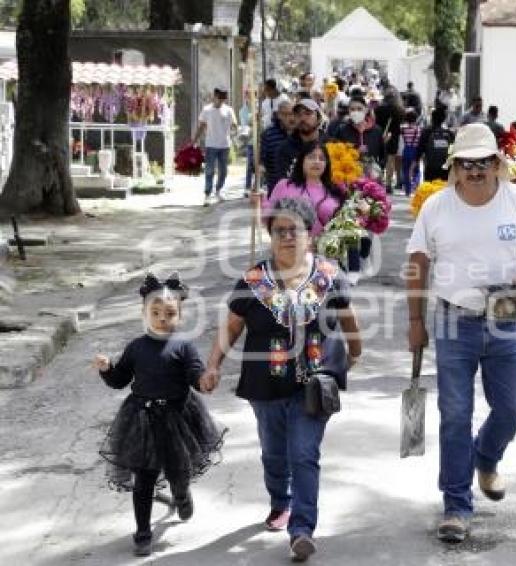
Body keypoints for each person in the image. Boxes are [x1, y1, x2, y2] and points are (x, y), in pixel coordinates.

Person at [405, 123, 516, 543]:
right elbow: (417, 264)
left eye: (482, 163)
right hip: (454, 321)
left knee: (513, 405)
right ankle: (456, 505)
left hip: (504, 317)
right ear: (455, 166)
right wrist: (415, 323)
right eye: (466, 164)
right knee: (455, 414)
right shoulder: (436, 207)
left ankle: (485, 458)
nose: (474, 171)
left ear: (496, 163)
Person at [199, 198, 362, 562]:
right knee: (274, 454)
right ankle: (279, 500)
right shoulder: (253, 281)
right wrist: (213, 366)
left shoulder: (328, 276)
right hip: (266, 385)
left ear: (310, 235)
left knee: (304, 454)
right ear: (270, 236)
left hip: (314, 385)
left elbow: (349, 319)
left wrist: (354, 354)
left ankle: (302, 530)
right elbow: (231, 327)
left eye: (295, 230)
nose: (288, 237)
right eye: (279, 231)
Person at [94, 273, 226, 557]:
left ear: (179, 314)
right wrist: (107, 369)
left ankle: (181, 494)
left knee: (179, 469)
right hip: (142, 418)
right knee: (144, 478)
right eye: (155, 313)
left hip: (177, 417)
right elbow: (120, 379)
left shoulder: (183, 346)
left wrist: (204, 380)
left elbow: (194, 375)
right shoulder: (136, 347)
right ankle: (143, 531)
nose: (162, 318)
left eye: (169, 313)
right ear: (144, 313)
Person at [263, 142, 346, 236]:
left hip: (326, 248)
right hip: (291, 245)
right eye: (311, 157)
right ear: (301, 161)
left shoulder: (335, 190)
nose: (317, 161)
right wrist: (258, 203)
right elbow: (268, 217)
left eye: (322, 159)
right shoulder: (284, 185)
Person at [193, 87, 237, 206]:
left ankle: (218, 190)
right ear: (215, 96)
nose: (221, 101)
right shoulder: (207, 110)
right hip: (211, 144)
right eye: (220, 98)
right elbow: (201, 126)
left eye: (224, 99)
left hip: (224, 145)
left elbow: (234, 124)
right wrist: (195, 140)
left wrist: (234, 129)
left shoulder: (229, 110)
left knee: (223, 171)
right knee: (209, 170)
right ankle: (207, 194)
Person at [275, 98, 327, 183]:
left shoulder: (330, 145)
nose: (303, 118)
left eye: (308, 113)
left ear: (318, 118)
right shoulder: (285, 149)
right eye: (298, 115)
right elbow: (283, 182)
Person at [332, 95, 386, 171]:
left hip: (371, 178)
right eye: (352, 109)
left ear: (366, 110)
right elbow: (334, 153)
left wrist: (378, 168)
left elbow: (383, 155)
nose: (356, 112)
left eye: (359, 109)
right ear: (349, 111)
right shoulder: (342, 130)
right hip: (348, 175)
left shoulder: (376, 130)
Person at [374, 88, 405, 191]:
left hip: (380, 135)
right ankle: (388, 184)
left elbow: (375, 122)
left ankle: (378, 180)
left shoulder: (378, 109)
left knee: (379, 159)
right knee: (391, 160)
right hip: (394, 136)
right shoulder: (399, 110)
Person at [261, 99, 295, 191]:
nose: (290, 117)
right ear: (279, 115)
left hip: (295, 185)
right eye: (286, 114)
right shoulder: (268, 134)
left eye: (292, 114)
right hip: (275, 185)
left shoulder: (299, 132)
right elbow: (261, 160)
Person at [417, 107, 454, 182]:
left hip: (430, 168)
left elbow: (420, 149)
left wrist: (415, 161)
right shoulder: (449, 133)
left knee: (430, 189)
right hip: (446, 168)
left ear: (432, 118)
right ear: (444, 119)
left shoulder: (426, 132)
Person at [399, 108, 422, 196]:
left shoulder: (403, 128)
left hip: (406, 150)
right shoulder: (418, 129)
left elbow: (401, 138)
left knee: (405, 170)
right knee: (416, 170)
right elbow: (419, 141)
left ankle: (407, 190)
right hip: (415, 150)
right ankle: (416, 187)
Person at [239, 98, 255, 196]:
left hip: (261, 140)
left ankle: (257, 186)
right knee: (250, 165)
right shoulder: (243, 110)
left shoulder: (259, 106)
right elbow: (245, 124)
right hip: (250, 141)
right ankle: (248, 187)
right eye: (248, 95)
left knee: (260, 165)